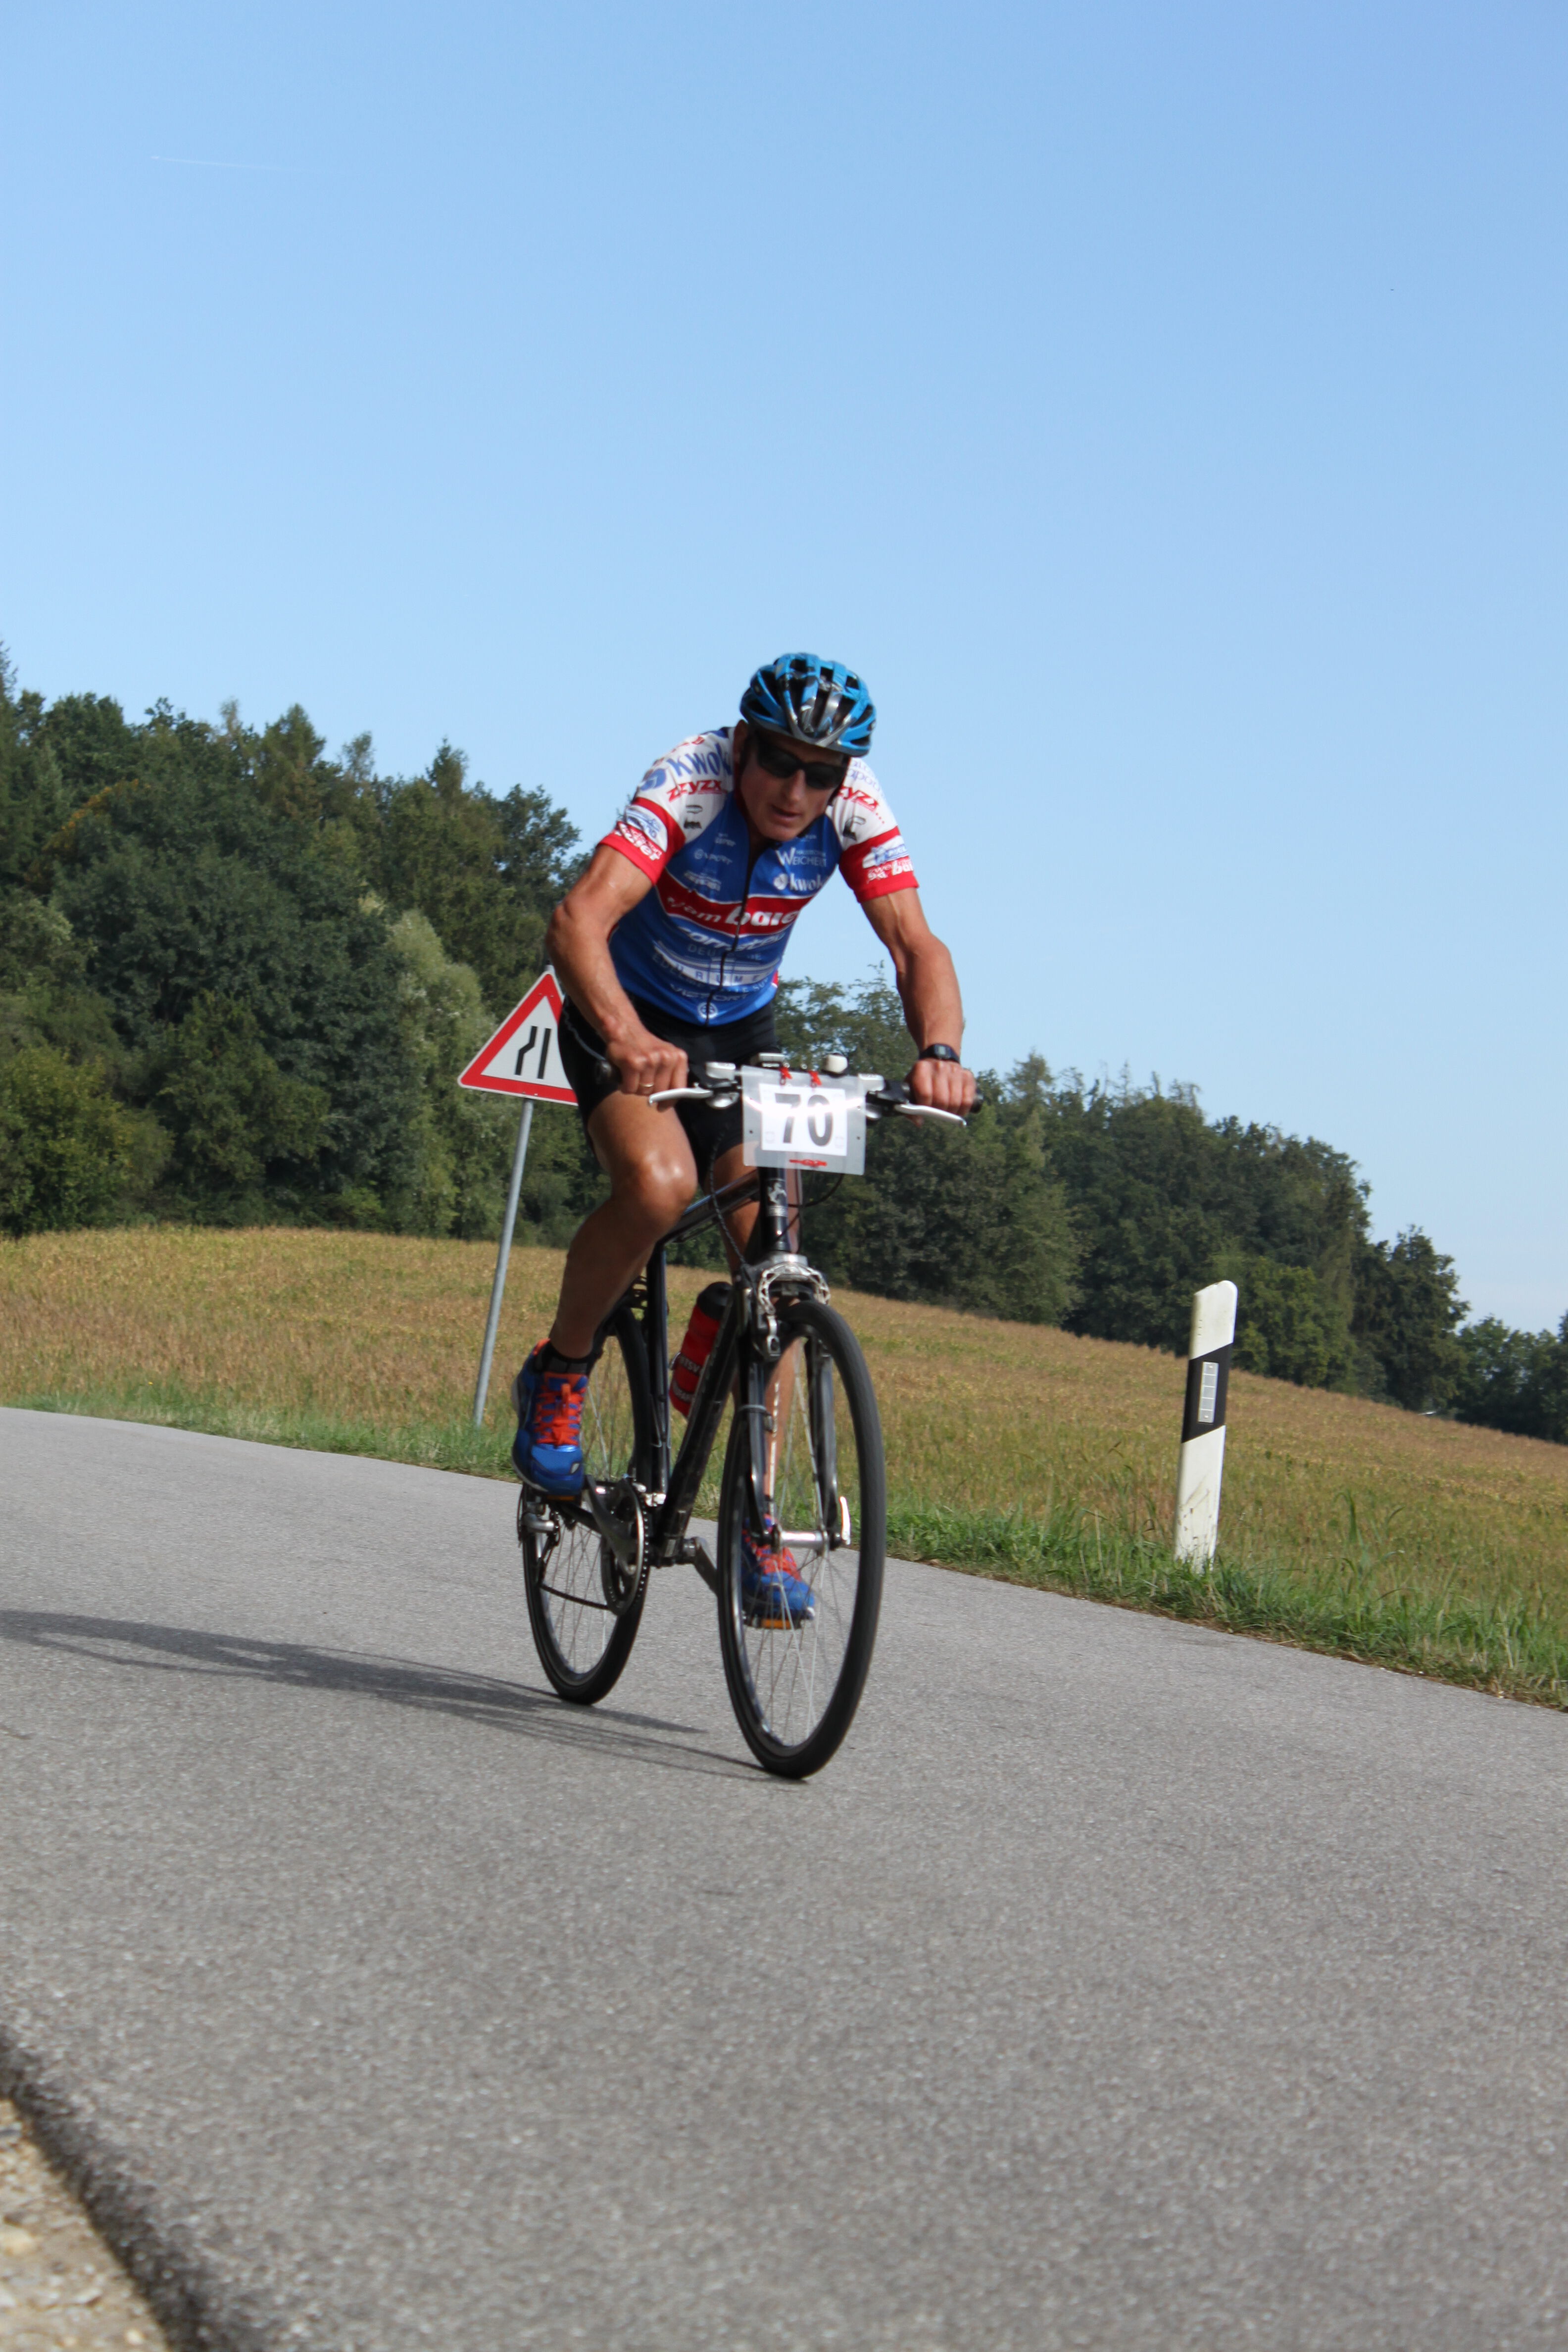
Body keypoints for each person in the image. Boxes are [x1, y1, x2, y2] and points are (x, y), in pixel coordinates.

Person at [512, 651, 977, 1619]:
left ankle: (758, 1524)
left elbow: (914, 944)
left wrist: (939, 1050)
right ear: (743, 747)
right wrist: (628, 1038)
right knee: (659, 1189)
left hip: (739, 1028)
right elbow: (578, 920)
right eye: (779, 763)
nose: (796, 791)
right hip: (623, 1010)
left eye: (822, 774)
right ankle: (559, 1370)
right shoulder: (689, 781)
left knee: (778, 1264)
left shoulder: (854, 807)